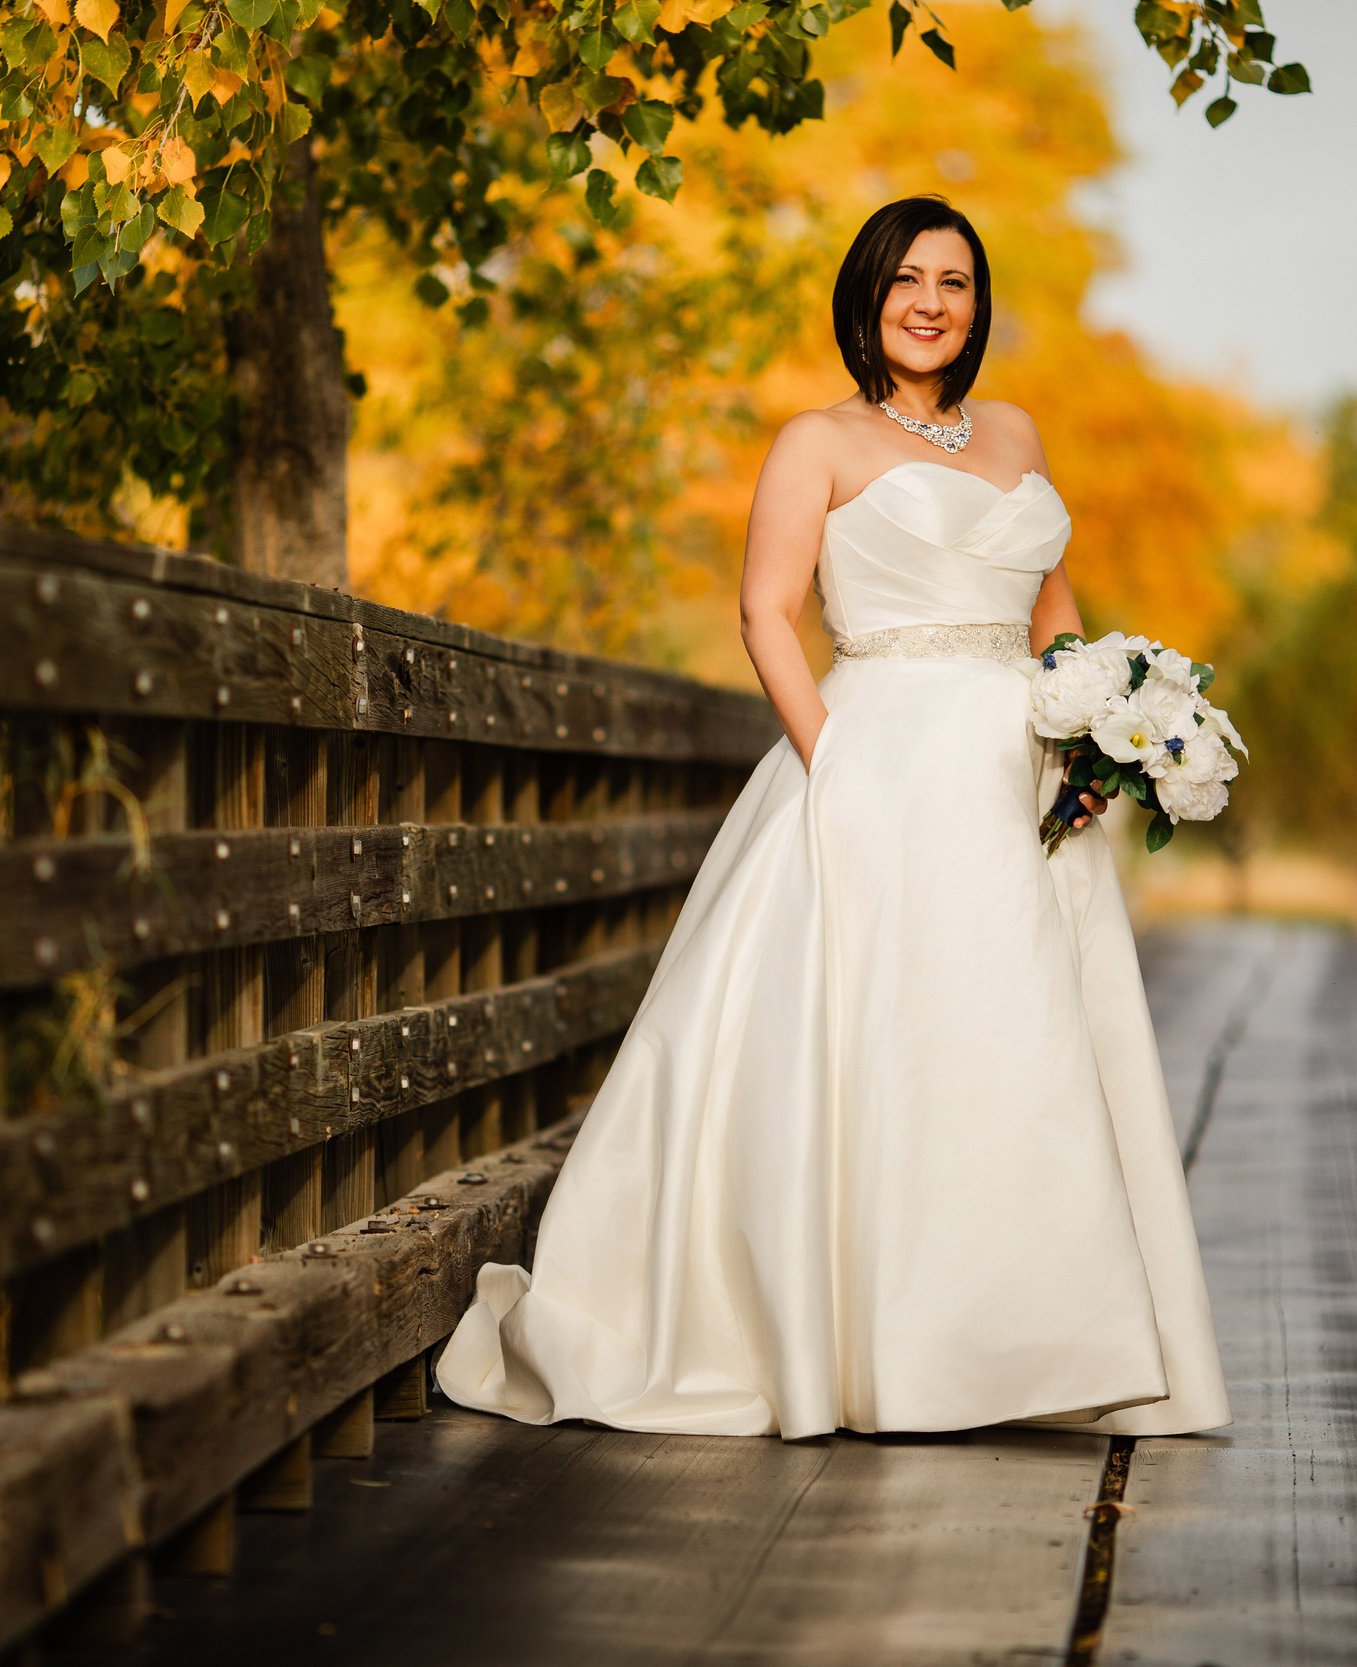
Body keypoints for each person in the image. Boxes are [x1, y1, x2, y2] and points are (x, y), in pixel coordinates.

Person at [432, 196, 1232, 1439]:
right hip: (884, 761)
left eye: (955, 282)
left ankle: (1031, 1342)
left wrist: (1101, 737)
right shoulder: (817, 440)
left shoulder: (1015, 429)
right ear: (866, 296)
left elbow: (1054, 611)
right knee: (892, 1044)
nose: (930, 301)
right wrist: (835, 764)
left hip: (1023, 776)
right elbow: (767, 614)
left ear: (977, 304)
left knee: (1021, 1051)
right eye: (907, 278)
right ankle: (878, 1345)